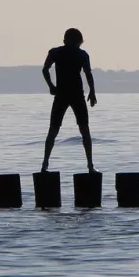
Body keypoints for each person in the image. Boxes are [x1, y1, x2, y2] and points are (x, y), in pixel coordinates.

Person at [41, 28, 97, 173]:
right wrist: (51, 86)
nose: (76, 46)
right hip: (66, 95)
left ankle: (90, 165)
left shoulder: (78, 54)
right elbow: (45, 69)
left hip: (72, 95)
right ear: (66, 41)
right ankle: (45, 164)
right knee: (56, 129)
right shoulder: (58, 52)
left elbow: (88, 73)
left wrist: (92, 91)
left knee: (82, 128)